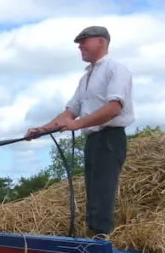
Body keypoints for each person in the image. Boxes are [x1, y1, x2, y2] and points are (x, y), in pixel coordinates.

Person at [25, 25, 134, 239]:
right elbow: (70, 113)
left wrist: (79, 123)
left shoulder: (116, 69)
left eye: (84, 41)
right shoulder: (86, 78)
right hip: (93, 140)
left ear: (101, 42)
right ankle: (93, 237)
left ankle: (101, 241)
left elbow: (114, 107)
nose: (80, 46)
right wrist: (41, 130)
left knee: (102, 193)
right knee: (93, 194)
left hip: (110, 138)